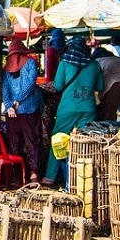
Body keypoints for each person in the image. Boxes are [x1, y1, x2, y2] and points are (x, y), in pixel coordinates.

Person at [41, 35, 104, 186]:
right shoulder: (94, 64)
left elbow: (58, 86)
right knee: (85, 143)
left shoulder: (65, 63)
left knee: (58, 140)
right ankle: (82, 178)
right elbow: (100, 87)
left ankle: (50, 176)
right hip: (88, 108)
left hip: (67, 108)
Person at [1, 40, 44, 183]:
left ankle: (18, 174)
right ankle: (33, 173)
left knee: (15, 142)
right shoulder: (31, 63)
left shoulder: (6, 68)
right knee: (32, 140)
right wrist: (14, 103)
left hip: (13, 112)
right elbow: (30, 84)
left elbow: (5, 90)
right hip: (29, 109)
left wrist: (9, 105)